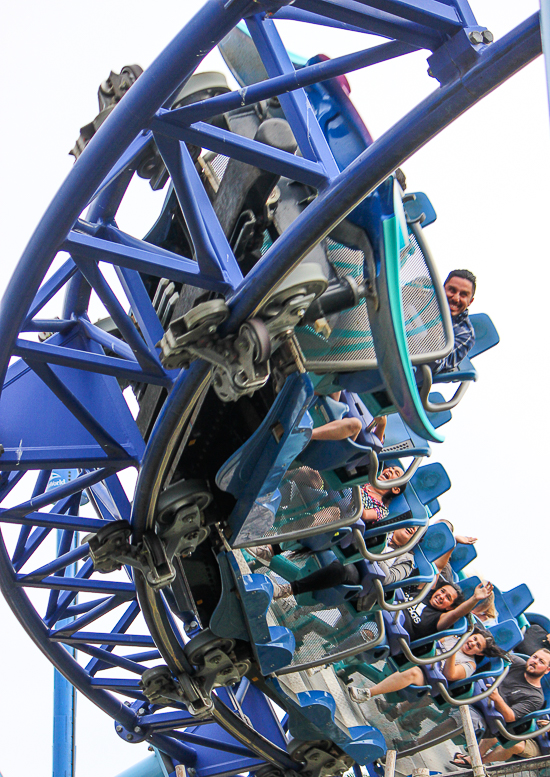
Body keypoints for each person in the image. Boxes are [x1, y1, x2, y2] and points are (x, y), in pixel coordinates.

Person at [396, 650, 550, 762]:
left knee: (463, 718)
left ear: (547, 670)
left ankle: (411, 747)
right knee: (446, 685)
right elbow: (497, 651)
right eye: (534, 657)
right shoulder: (518, 663)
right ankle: (397, 710)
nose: (534, 661)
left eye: (541, 662)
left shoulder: (536, 697)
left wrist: (497, 698)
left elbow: (510, 716)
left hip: (488, 718)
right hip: (476, 694)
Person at [348, 626, 506, 703]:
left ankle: (367, 693)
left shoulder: (470, 665)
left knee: (412, 673)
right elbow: (436, 640)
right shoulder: (453, 637)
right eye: (473, 638)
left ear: (479, 653)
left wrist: (452, 652)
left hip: (429, 677)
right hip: (421, 657)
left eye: (477, 645)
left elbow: (450, 674)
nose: (472, 643)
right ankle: (347, 658)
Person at [270, 525, 418, 602]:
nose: (412, 529)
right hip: (351, 551)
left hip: (361, 576)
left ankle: (288, 590)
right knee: (328, 531)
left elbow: (387, 578)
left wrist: (374, 551)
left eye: (416, 531)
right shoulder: (384, 531)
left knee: (343, 569)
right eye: (411, 525)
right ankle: (272, 549)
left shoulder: (407, 560)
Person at [402, 579, 493, 643]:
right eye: (442, 591)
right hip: (390, 611)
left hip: (397, 632)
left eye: (448, 598)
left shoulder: (439, 618)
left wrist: (475, 599)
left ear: (450, 607)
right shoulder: (425, 592)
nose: (442, 596)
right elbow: (438, 566)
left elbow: (456, 614)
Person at [431, 269, 476, 375]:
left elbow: (440, 367)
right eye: (452, 290)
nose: (456, 298)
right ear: (442, 289)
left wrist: (435, 340)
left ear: (470, 301)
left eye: (463, 295)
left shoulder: (465, 334)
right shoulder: (425, 300)